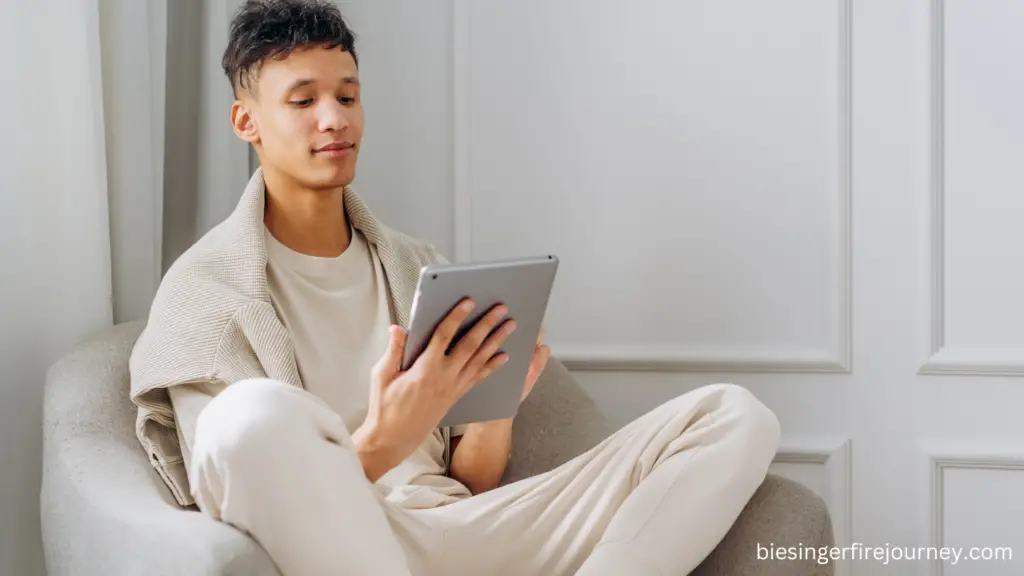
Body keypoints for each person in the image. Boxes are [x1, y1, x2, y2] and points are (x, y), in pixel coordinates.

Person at [128, 1, 781, 574]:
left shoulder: (416, 265)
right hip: (347, 547)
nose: (334, 119)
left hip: (464, 529)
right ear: (247, 123)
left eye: (348, 96)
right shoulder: (203, 300)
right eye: (303, 101)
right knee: (248, 418)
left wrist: (495, 408)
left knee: (734, 414)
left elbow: (470, 481)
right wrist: (386, 437)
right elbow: (250, 497)